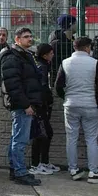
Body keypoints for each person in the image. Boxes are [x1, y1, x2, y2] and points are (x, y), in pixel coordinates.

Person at [54, 37, 98, 183]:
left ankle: (73, 170)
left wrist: (66, 97)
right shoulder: (94, 63)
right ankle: (94, 172)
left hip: (71, 104)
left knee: (71, 138)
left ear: (74, 47)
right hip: (90, 104)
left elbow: (58, 86)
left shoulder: (65, 63)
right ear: (87, 47)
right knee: (91, 139)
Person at [0, 27, 43, 186]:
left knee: (17, 138)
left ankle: (16, 169)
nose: (30, 39)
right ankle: (20, 172)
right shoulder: (12, 57)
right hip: (22, 105)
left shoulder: (25, 55)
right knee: (20, 140)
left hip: (25, 103)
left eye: (30, 36)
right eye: (26, 37)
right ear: (17, 39)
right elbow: (13, 85)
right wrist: (26, 105)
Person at [29, 43, 60, 176]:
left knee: (45, 133)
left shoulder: (44, 65)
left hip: (42, 105)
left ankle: (44, 162)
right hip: (40, 105)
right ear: (45, 55)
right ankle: (36, 164)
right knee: (41, 134)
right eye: (51, 53)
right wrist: (45, 102)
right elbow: (42, 87)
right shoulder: (42, 67)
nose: (53, 55)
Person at [50, 14, 76, 79]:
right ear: (70, 24)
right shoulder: (57, 43)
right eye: (75, 23)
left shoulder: (72, 40)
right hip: (61, 78)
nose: (77, 25)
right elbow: (54, 65)